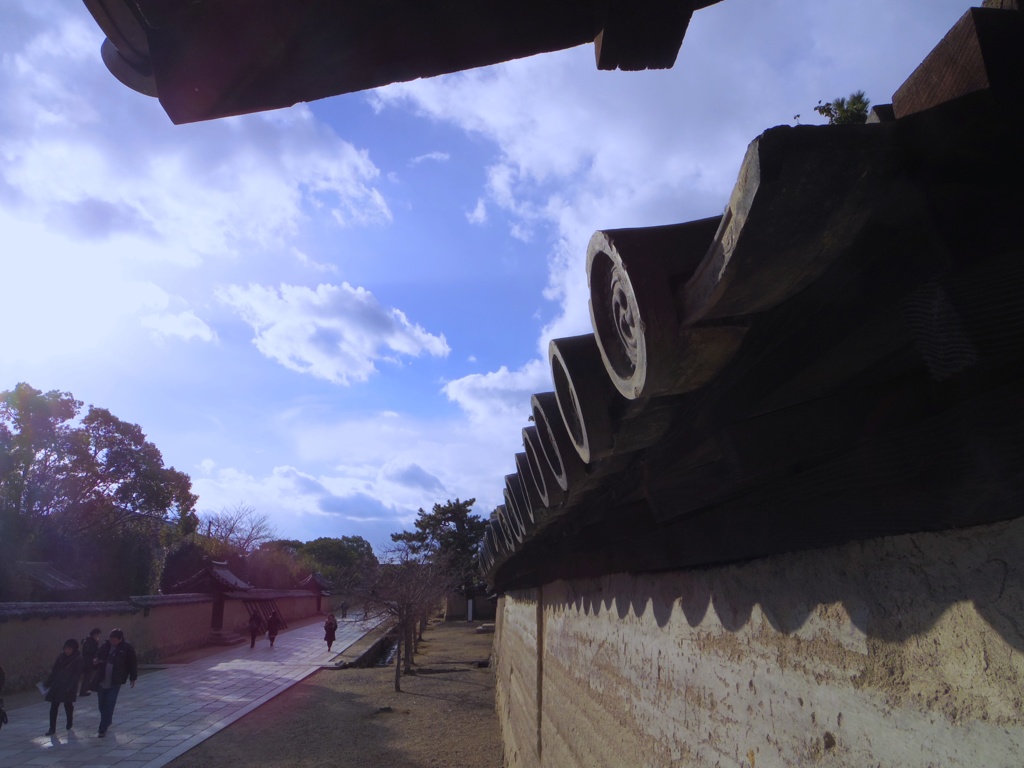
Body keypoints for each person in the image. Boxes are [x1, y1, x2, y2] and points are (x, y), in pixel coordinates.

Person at [91, 629, 137, 738]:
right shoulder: (105, 646)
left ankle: (102, 728)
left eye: (115, 640)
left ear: (120, 639)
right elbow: (98, 656)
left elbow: (132, 663)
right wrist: (96, 660)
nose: (112, 642)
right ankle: (107, 720)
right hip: (102, 679)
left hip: (115, 680)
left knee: (110, 702)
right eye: (111, 640)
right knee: (101, 704)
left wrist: (133, 678)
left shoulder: (127, 648)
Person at [44, 639, 83, 735]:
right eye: (65, 649)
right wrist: (48, 683)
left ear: (73, 649)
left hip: (69, 685)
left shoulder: (78, 658)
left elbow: (77, 675)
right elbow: (54, 671)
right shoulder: (60, 657)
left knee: (68, 705)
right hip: (57, 684)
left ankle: (69, 721)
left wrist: (71, 686)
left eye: (69, 649)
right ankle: (52, 728)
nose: (67, 651)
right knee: (54, 706)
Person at [79, 628, 101, 696]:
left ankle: (85, 689)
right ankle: (83, 691)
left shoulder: (90, 641)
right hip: (87, 661)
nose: (98, 636)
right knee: (87, 676)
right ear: (94, 634)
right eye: (97, 635)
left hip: (89, 661)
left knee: (88, 676)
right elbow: (91, 651)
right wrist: (96, 644)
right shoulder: (89, 641)